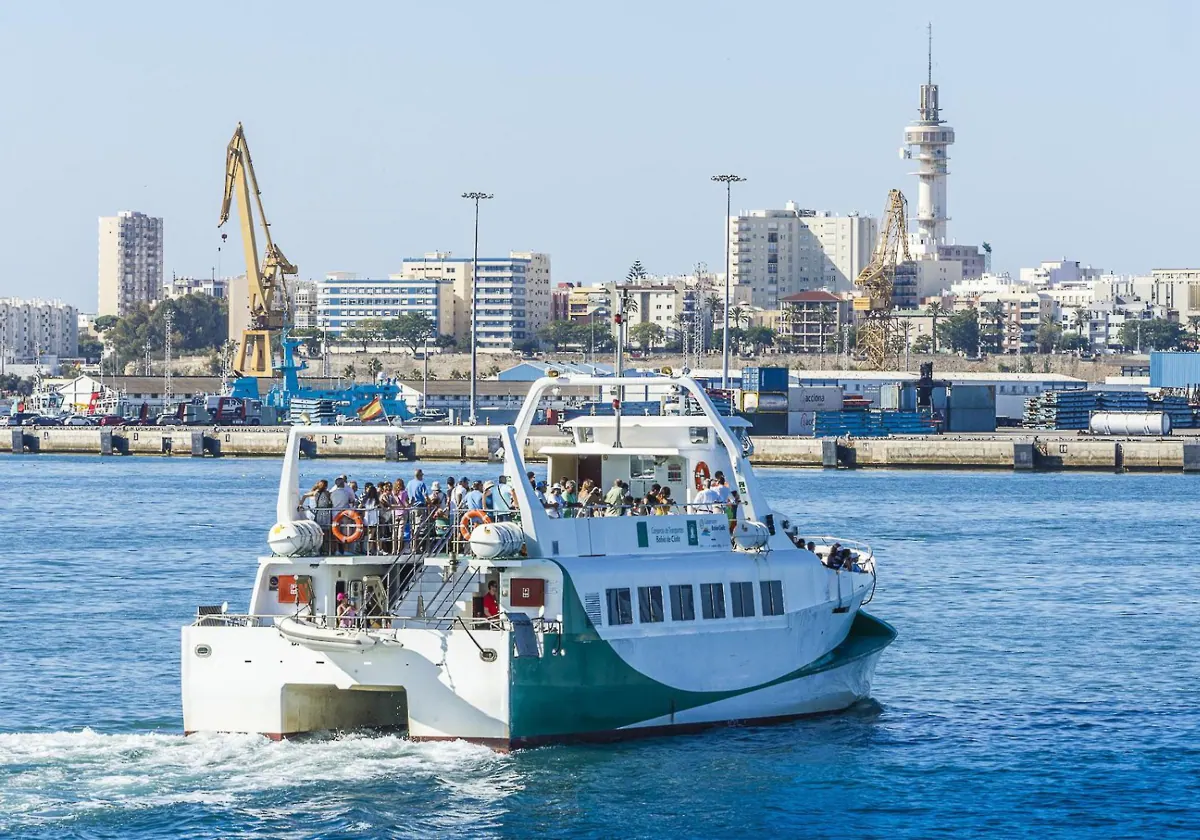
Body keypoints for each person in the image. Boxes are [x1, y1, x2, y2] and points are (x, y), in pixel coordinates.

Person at [361, 483, 380, 554]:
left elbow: (360, 506)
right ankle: (369, 550)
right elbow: (381, 507)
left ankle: (365, 549)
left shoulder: (365, 500)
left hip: (366, 519)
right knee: (371, 535)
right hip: (373, 520)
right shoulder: (376, 500)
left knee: (366, 535)